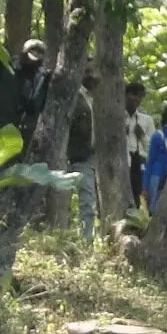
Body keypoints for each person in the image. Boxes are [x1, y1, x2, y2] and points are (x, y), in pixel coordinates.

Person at [0, 39, 48, 151]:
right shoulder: (4, 66)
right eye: (31, 56)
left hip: (25, 135)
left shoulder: (42, 78)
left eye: (38, 58)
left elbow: (39, 105)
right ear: (23, 53)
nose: (33, 62)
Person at [67, 59, 99, 240]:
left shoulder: (93, 99)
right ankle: (77, 238)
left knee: (88, 200)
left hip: (88, 156)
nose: (92, 76)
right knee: (83, 200)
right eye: (87, 72)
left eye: (93, 72)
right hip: (73, 155)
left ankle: (86, 240)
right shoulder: (73, 97)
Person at [124, 81, 155, 208]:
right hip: (123, 161)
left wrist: (142, 136)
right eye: (134, 94)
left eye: (140, 96)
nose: (137, 99)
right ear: (125, 95)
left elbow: (152, 148)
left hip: (139, 161)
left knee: (138, 196)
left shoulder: (146, 120)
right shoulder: (117, 117)